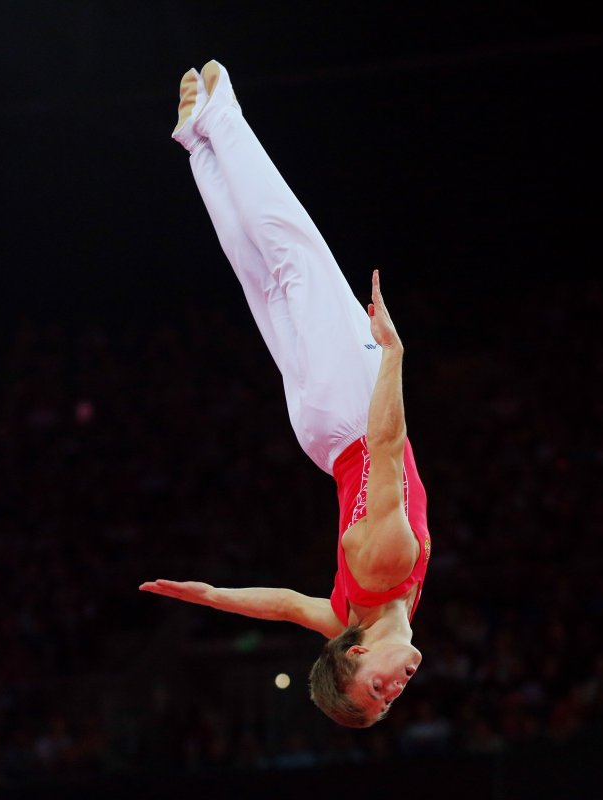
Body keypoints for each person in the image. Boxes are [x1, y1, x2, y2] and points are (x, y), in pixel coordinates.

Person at [140, 60, 431, 728]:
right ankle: (200, 147)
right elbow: (281, 605)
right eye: (389, 702)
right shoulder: (348, 613)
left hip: (355, 414)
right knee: (265, 285)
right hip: (324, 438)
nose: (394, 691)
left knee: (294, 255)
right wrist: (208, 595)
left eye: (375, 690)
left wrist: (393, 356)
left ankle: (221, 120)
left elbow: (389, 444)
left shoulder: (390, 567)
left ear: (353, 653)